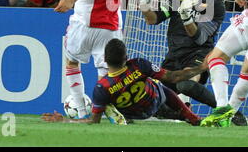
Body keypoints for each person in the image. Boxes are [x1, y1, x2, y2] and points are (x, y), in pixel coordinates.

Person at [125, 0, 248, 125]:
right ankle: (183, 114)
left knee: (186, 86)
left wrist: (186, 17)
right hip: (174, 56)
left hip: (197, 55)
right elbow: (152, 19)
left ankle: (229, 111)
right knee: (152, 97)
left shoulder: (216, 5)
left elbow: (199, 37)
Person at [42, 38, 204, 125]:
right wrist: (202, 67)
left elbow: (93, 121)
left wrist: (64, 120)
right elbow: (173, 77)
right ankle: (191, 116)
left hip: (135, 114)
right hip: (154, 100)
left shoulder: (101, 87)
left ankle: (119, 119)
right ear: (126, 58)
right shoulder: (139, 64)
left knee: (106, 102)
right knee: (159, 86)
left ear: (105, 59)